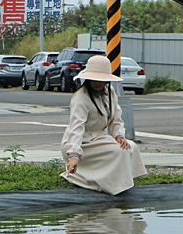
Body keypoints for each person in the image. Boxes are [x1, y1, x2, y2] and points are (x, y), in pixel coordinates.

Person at [61, 55, 147, 194]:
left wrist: (118, 136)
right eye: (94, 79)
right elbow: (76, 128)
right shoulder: (81, 98)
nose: (97, 83)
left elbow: (116, 118)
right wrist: (74, 155)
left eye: (101, 80)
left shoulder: (110, 93)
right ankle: (107, 184)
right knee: (118, 152)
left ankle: (122, 181)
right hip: (81, 142)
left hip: (99, 139)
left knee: (130, 147)